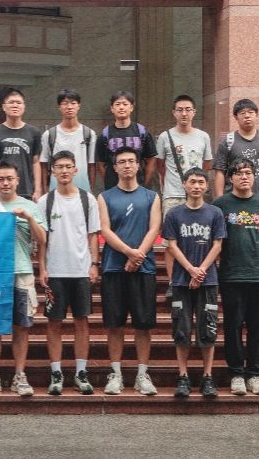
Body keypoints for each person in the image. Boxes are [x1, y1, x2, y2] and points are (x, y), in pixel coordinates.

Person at [98, 147, 162, 396]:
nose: (127, 165)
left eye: (131, 161)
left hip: (143, 269)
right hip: (113, 267)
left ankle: (142, 375)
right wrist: (128, 252)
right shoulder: (105, 197)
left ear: (138, 165)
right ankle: (116, 374)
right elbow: (105, 230)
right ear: (115, 167)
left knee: (143, 325)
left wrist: (138, 256)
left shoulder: (151, 196)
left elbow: (154, 228)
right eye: (122, 162)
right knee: (114, 324)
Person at [37, 150, 100, 396]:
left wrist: (94, 264)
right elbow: (42, 239)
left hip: (80, 270)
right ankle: (56, 372)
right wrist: (42, 267)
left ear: (76, 170)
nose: (64, 171)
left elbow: (93, 234)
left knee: (81, 321)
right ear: (52, 171)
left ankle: (81, 372)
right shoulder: (45, 201)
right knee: (54, 322)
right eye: (59, 167)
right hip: (55, 271)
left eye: (68, 166)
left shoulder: (87, 199)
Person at [213, 158, 259, 397]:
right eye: (239, 173)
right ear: (230, 178)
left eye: (248, 172)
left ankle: (255, 374)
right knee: (233, 326)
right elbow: (216, 239)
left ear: (254, 176)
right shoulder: (220, 205)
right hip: (231, 275)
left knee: (257, 327)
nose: (244, 177)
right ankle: (237, 374)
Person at [0, 162, 46, 397]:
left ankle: (20, 375)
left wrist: (29, 218)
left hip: (22, 271)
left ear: (18, 180)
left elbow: (42, 239)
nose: (5, 183)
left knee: (22, 326)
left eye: (9, 178)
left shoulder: (30, 207)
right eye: (1, 179)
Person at [164, 167, 226, 400]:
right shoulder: (174, 214)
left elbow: (218, 245)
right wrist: (191, 269)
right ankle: (183, 376)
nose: (197, 186)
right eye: (192, 181)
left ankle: (207, 377)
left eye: (201, 182)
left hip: (208, 281)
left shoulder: (215, 213)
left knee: (208, 329)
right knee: (181, 330)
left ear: (207, 186)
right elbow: (171, 245)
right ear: (184, 184)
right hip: (181, 281)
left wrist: (201, 271)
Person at [157, 94, 213, 296]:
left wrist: (196, 183)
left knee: (198, 236)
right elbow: (160, 165)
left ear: (194, 112)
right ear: (173, 112)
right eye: (180, 110)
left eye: (188, 109)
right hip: (173, 194)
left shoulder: (203, 136)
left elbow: (207, 164)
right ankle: (173, 282)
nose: (184, 113)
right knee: (170, 241)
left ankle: (197, 275)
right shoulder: (165, 137)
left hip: (197, 196)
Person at [212, 98, 259, 200]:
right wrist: (220, 200)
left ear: (256, 115)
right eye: (242, 113)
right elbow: (220, 172)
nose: (247, 116)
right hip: (233, 201)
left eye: (250, 112)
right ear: (236, 117)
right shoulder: (227, 142)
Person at [95, 91, 158, 191]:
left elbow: (151, 159)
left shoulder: (142, 132)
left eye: (125, 104)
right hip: (113, 188)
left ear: (131, 107)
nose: (121, 107)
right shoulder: (105, 134)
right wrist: (109, 183)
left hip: (138, 187)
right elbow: (101, 164)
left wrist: (144, 184)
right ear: (112, 108)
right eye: (117, 104)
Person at [0, 88, 42, 202]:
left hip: (27, 190)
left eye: (19, 103)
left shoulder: (34, 132)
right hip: (1, 191)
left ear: (24, 107)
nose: (15, 105)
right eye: (11, 102)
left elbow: (36, 162)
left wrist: (37, 189)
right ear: (4, 107)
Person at [38, 88, 96, 193]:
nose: (69, 107)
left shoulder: (88, 134)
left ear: (79, 106)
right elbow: (43, 164)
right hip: (55, 191)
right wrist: (45, 191)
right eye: (65, 103)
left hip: (83, 191)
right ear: (59, 107)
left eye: (73, 103)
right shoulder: (49, 135)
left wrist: (91, 191)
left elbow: (92, 165)